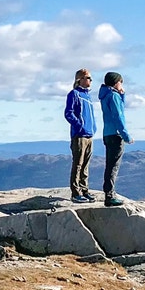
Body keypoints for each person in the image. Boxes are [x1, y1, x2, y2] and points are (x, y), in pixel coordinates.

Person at [98, 71, 133, 206]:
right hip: (115, 134)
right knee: (114, 166)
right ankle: (110, 195)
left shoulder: (106, 95)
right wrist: (126, 136)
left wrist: (122, 95)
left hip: (107, 133)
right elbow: (118, 116)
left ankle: (109, 193)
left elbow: (118, 110)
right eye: (120, 82)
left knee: (109, 165)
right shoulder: (113, 96)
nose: (121, 85)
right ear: (116, 82)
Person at [62, 69, 97, 202]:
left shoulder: (88, 96)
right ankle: (76, 193)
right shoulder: (74, 94)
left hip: (89, 135)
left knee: (85, 165)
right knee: (78, 164)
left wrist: (93, 128)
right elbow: (68, 113)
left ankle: (84, 190)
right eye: (88, 78)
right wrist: (79, 125)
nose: (90, 81)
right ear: (80, 79)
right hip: (79, 135)